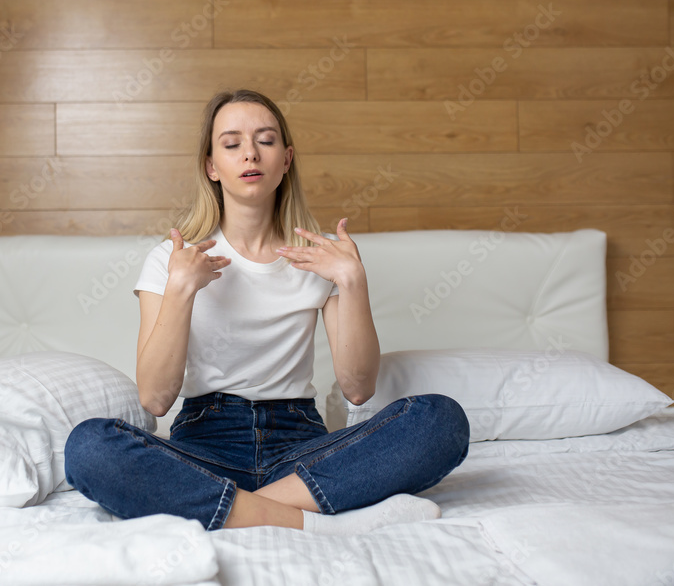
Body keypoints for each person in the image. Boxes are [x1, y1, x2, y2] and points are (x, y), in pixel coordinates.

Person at [64, 89, 469, 533]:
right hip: (204, 445)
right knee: (89, 447)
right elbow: (156, 399)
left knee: (440, 421)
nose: (250, 154)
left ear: (286, 159)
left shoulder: (322, 258)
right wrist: (181, 288)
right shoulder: (171, 259)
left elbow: (358, 389)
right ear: (211, 166)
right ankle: (318, 522)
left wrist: (352, 280)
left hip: (298, 447)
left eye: (266, 140)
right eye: (232, 143)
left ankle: (229, 508)